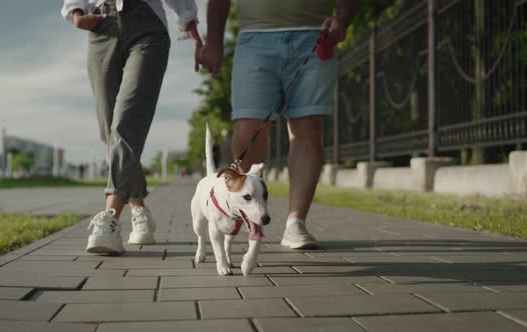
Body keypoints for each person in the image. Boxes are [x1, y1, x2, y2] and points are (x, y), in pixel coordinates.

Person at [199, 0, 360, 249]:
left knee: (307, 128)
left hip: (316, 33)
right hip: (254, 37)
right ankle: (248, 211)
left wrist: (343, 18)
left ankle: (296, 223)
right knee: (248, 129)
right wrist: (213, 42)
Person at [61, 0, 202, 254]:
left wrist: (195, 38)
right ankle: (138, 207)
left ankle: (110, 219)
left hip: (147, 26)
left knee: (126, 122)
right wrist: (76, 14)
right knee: (108, 129)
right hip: (100, 26)